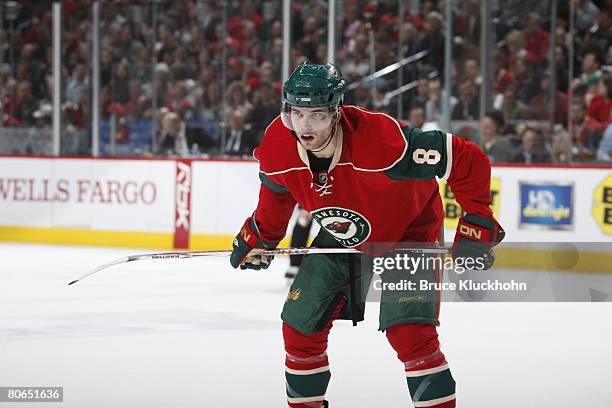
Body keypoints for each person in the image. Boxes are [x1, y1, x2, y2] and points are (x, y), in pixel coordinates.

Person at [229, 62, 504, 408]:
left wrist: (477, 220)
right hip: (344, 236)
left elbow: (466, 158)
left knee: (410, 334)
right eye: (296, 114)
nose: (304, 126)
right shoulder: (277, 146)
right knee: (300, 327)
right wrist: (261, 235)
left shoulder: (383, 142)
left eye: (315, 115)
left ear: (335, 111)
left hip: (410, 232)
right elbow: (277, 189)